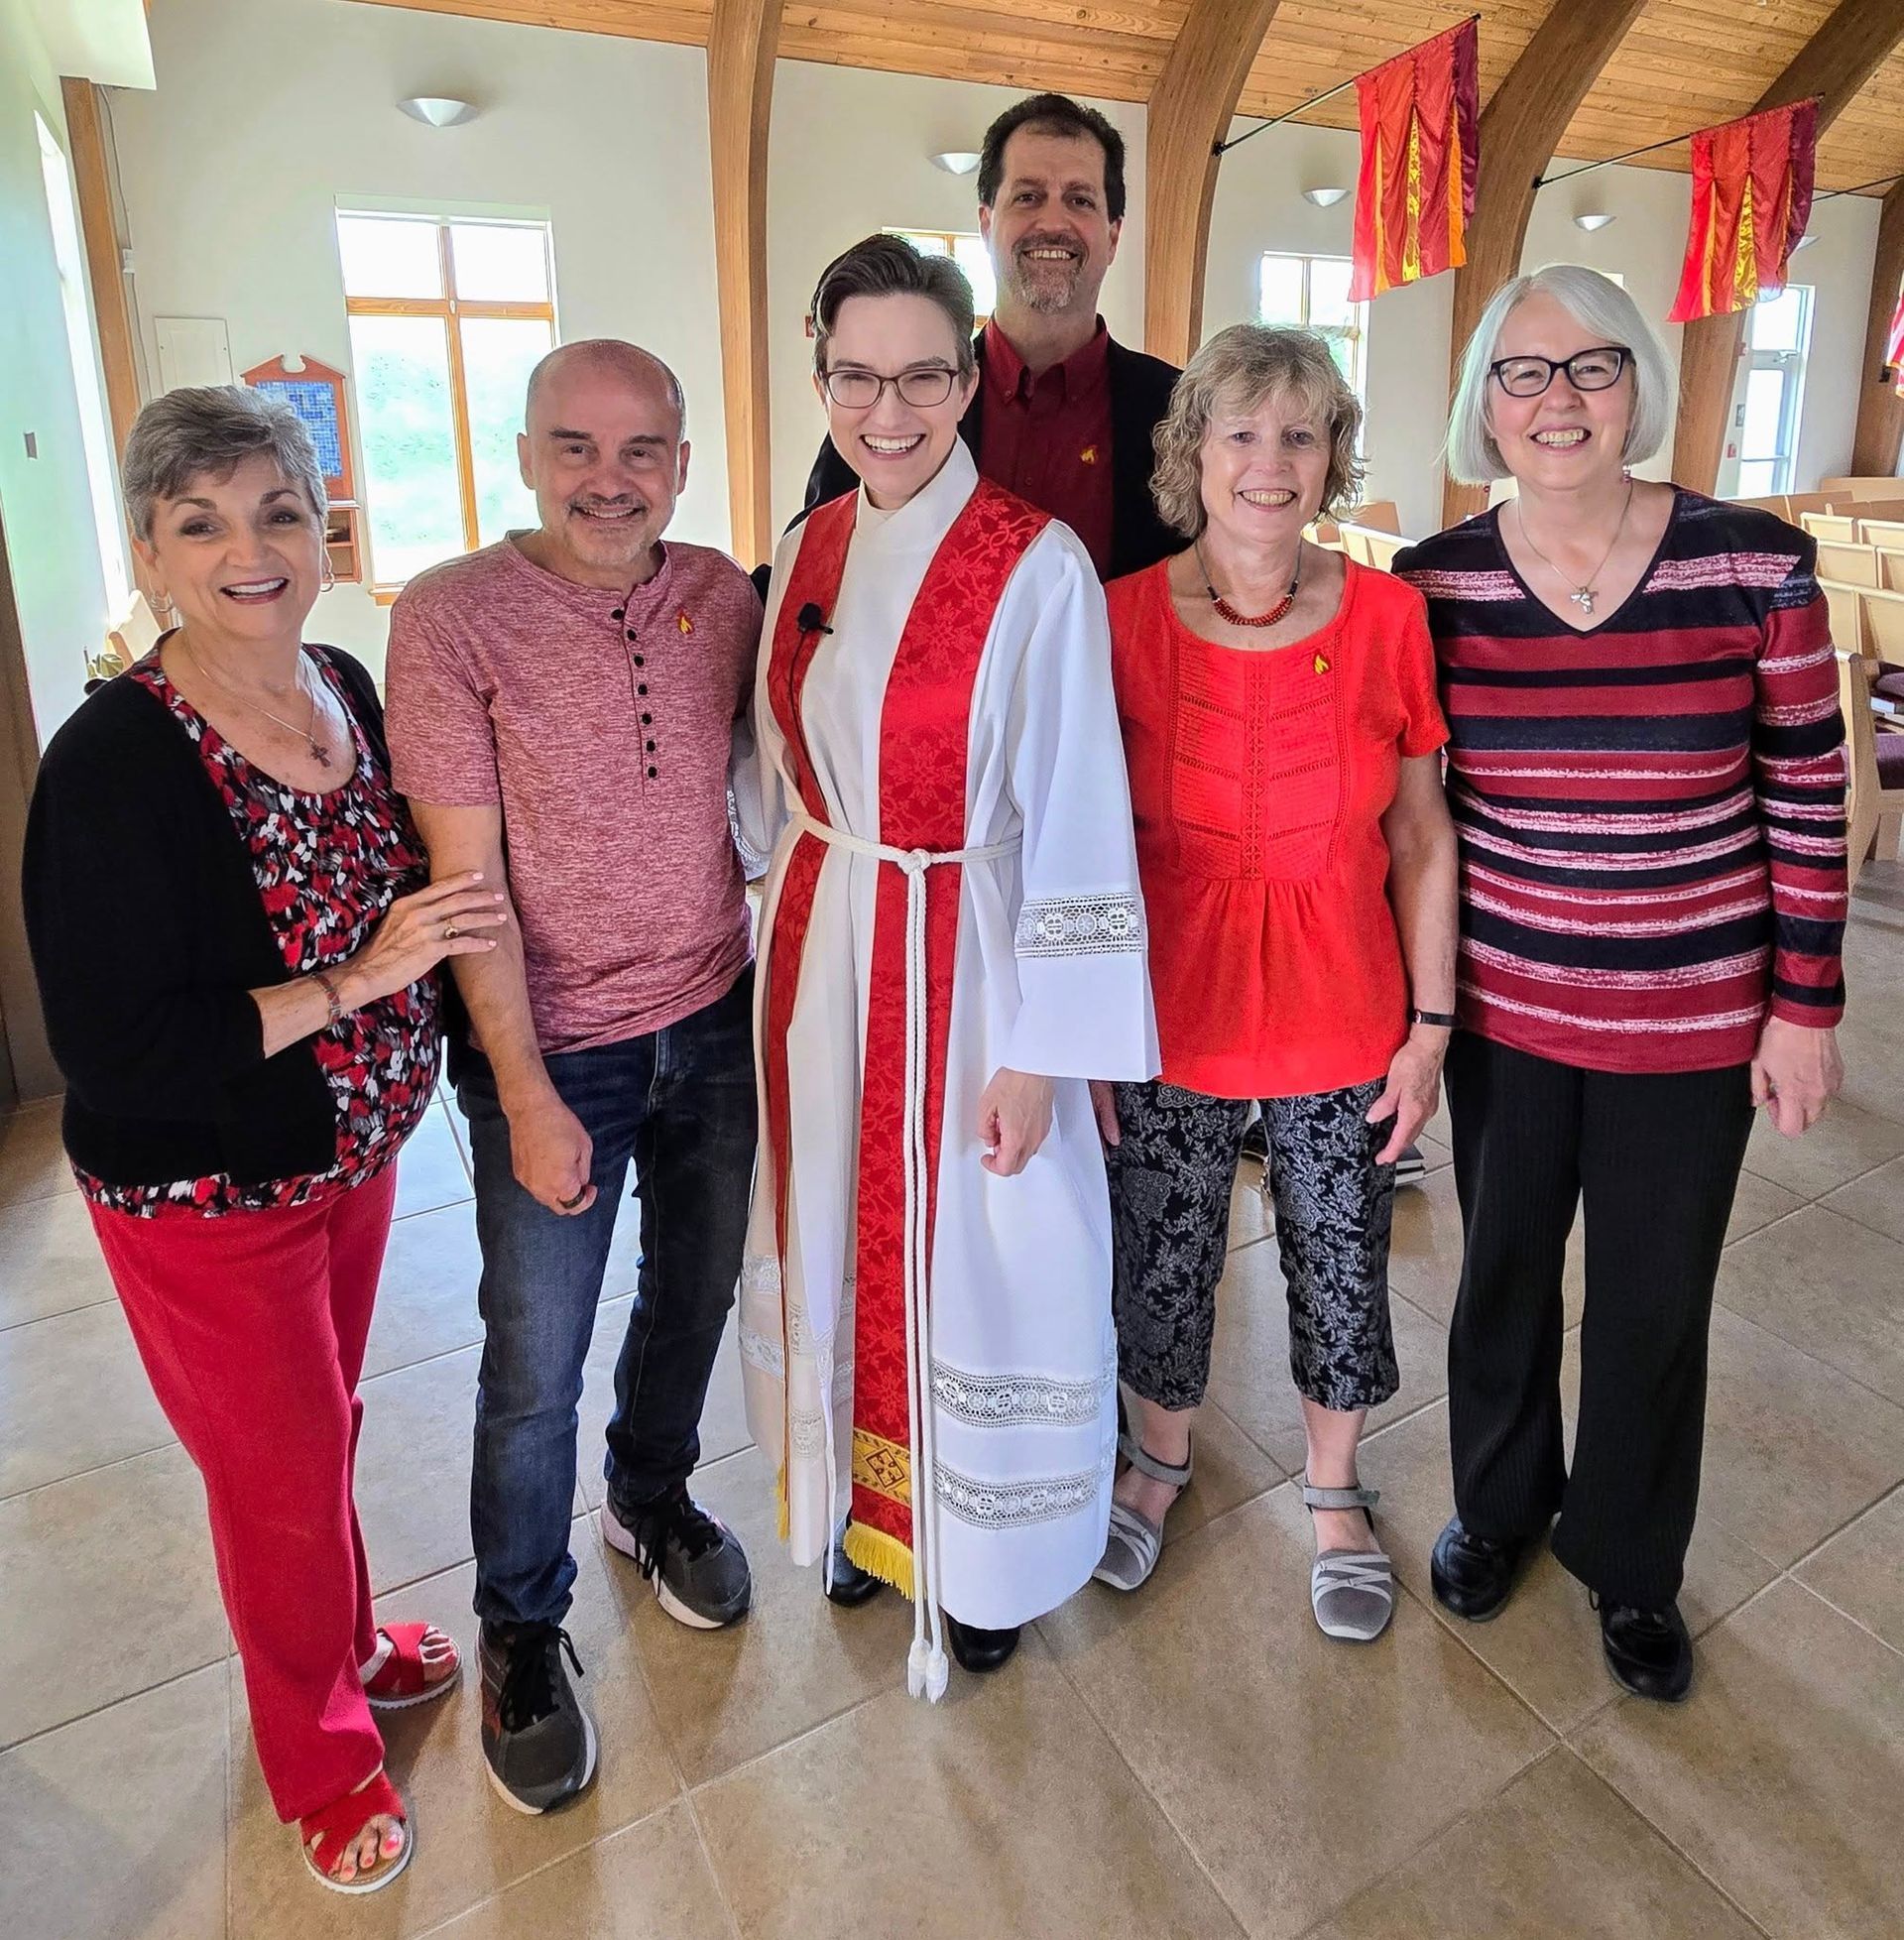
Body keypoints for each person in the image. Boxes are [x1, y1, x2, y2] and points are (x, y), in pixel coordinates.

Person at [22, 387, 488, 1892]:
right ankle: (322, 1757)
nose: (251, 551)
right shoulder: (114, 762)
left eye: (278, 512)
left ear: (324, 533)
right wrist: (357, 982)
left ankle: (347, 1646)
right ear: (152, 555)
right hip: (207, 1192)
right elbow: (118, 1046)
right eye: (201, 524)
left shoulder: (341, 683)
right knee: (276, 1481)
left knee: (324, 1425)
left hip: (350, 1159)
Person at [1394, 265, 1847, 1702]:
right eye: (1525, 371)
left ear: (1637, 384)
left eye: (1593, 366)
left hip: (1693, 1016)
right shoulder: (1433, 583)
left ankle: (1633, 1562)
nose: (1560, 398)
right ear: (1485, 403)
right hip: (1510, 1014)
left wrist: (1805, 1009)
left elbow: (1808, 795)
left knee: (1656, 1301)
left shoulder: (1754, 566)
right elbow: (1418, 820)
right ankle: (1498, 1504)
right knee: (1503, 1277)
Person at [737, 234, 1157, 1694]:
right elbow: (773, 766)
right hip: (826, 949)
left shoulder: (1034, 563)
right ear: (822, 380)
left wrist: (1045, 1053)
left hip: (973, 961)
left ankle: (981, 1555)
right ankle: (866, 1505)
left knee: (991, 1250)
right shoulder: (809, 547)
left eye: (923, 375)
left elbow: (1080, 813)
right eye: (857, 377)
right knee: (835, 1223)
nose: (889, 410)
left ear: (969, 377)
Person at [384, 340, 760, 1813]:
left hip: (713, 1015)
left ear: (682, 460)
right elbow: (463, 883)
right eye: (576, 448)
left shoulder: (721, 596)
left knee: (696, 1294)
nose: (611, 480)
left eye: (642, 449)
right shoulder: (451, 616)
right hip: (554, 1048)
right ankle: (521, 1627)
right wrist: (527, 1090)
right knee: (535, 1356)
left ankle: (649, 1499)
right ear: (527, 456)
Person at [1093, 327, 1457, 1640]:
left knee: (1343, 1255)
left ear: (1332, 456)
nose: (1270, 460)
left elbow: (1420, 834)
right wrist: (1081, 1034)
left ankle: (1336, 1490)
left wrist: (1430, 1028)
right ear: (1193, 453)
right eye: (1240, 432)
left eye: (1301, 434)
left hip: (1344, 1003)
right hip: (1164, 1006)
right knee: (1162, 1250)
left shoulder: (1390, 617)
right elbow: (1080, 843)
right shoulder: (1120, 617)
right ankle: (1156, 1462)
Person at [802, 91, 1179, 583]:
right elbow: (817, 564)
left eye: (1080, 200)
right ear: (986, 223)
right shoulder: (899, 402)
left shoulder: (1178, 409)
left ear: (1112, 235)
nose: (1053, 222)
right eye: (1027, 197)